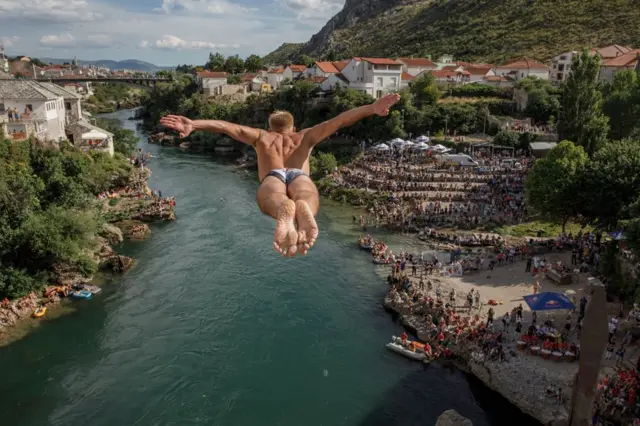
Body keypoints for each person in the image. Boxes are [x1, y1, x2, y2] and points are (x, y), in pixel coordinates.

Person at [159, 94, 401, 257]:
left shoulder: (262, 137)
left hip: (273, 175)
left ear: (269, 127)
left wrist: (195, 124)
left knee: (270, 196)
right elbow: (339, 122)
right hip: (298, 174)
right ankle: (302, 206)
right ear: (292, 127)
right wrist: (372, 108)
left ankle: (283, 208)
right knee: (306, 192)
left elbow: (227, 127)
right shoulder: (304, 136)